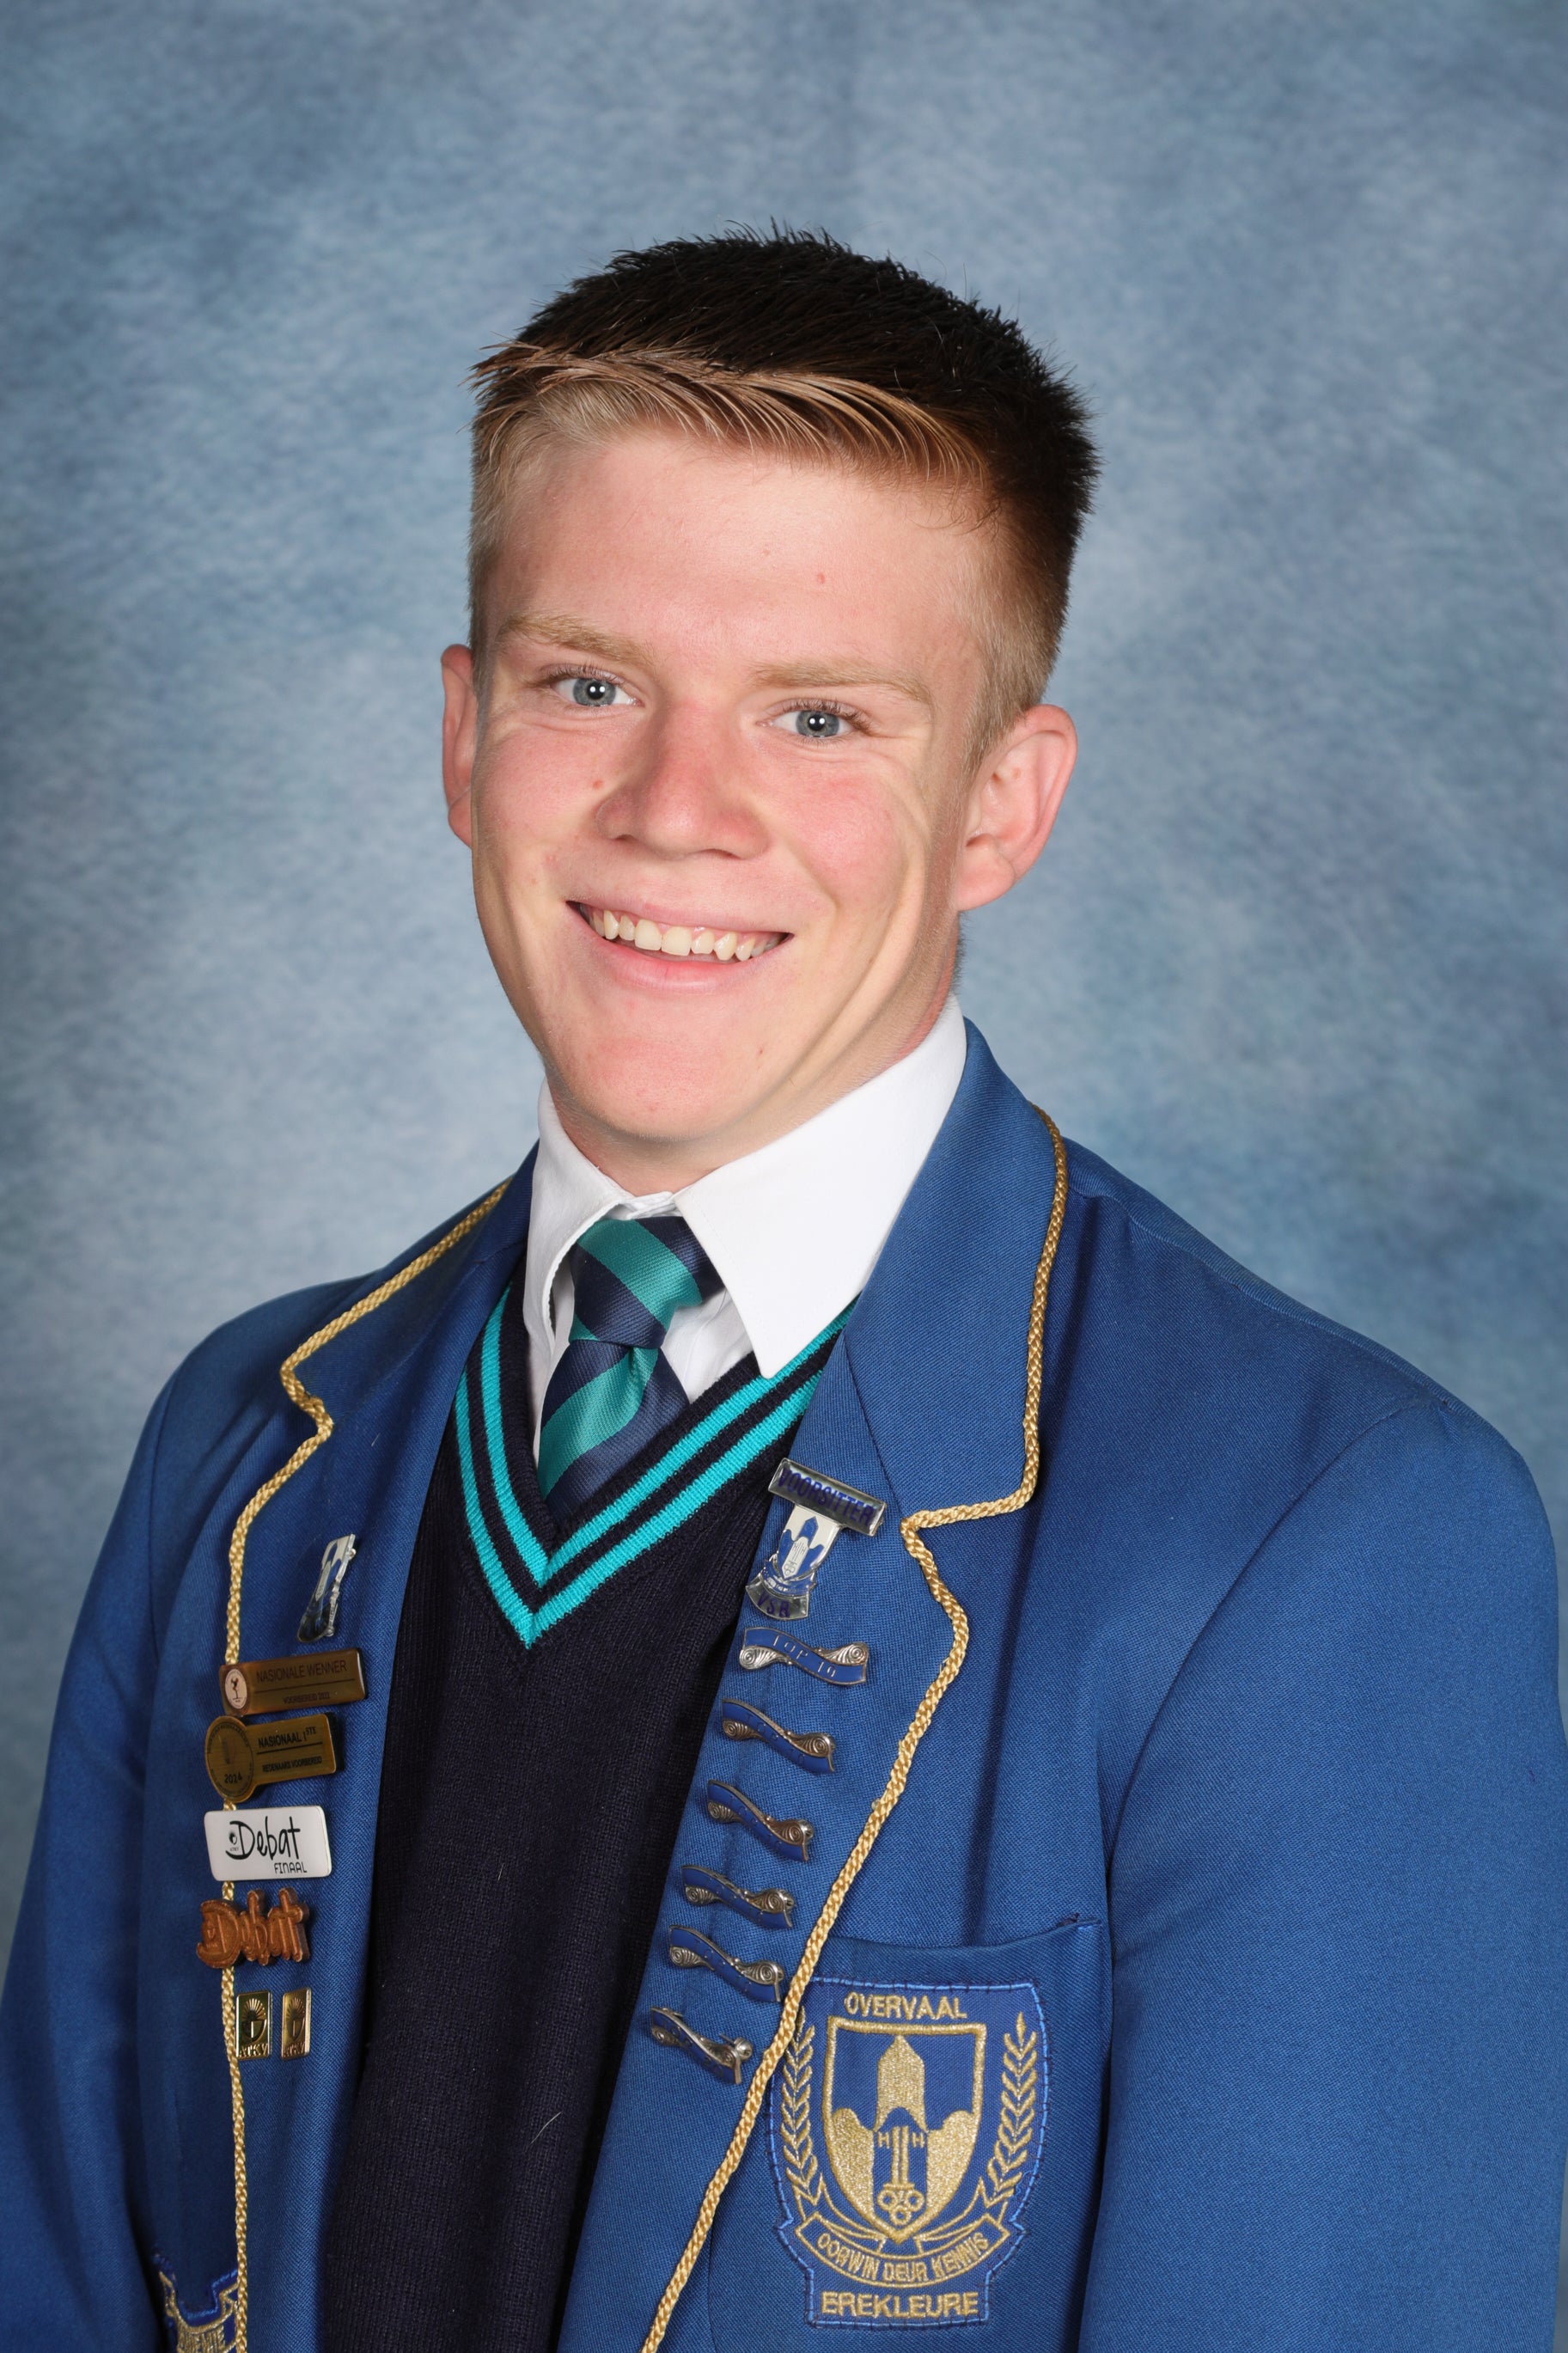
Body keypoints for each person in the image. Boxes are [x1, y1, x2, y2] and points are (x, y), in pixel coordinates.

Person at [0, 229, 1563, 2353]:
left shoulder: (1324, 1531)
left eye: (818, 716)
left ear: (998, 803)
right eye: (586, 684)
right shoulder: (246, 1446)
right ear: (461, 736)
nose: (676, 812)